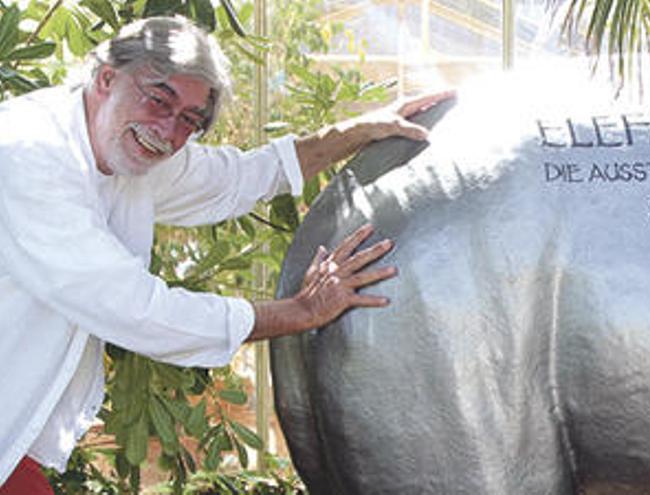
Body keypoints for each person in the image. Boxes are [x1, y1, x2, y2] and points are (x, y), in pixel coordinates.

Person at [0, 15, 452, 493]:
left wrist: (358, 132)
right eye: (159, 100)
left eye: (189, 121)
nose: (168, 132)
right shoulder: (29, 157)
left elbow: (236, 179)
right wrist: (302, 310)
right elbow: (137, 310)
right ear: (106, 77)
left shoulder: (123, 142)